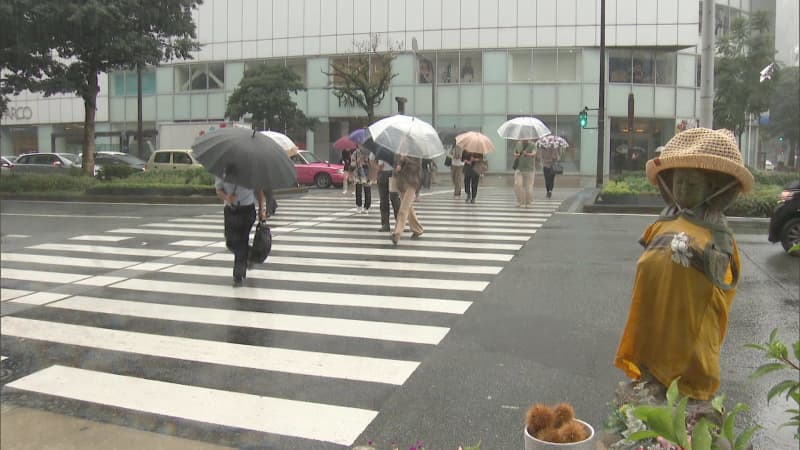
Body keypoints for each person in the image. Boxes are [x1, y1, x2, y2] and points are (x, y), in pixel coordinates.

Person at [614, 128, 755, 401]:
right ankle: (651, 375)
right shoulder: (665, 219)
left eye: (692, 184)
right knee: (652, 351)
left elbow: (724, 275)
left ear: (712, 187)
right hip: (654, 309)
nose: (682, 189)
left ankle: (688, 389)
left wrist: (697, 256)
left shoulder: (716, 230)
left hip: (691, 315)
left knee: (690, 352)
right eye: (678, 182)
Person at [215, 165, 266, 287]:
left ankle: (238, 275)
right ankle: (250, 255)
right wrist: (227, 197)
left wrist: (261, 210)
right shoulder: (221, 170)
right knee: (231, 242)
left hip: (247, 210)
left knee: (242, 242)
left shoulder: (251, 171)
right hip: (230, 210)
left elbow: (259, 191)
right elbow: (218, 190)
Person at [391, 155, 423, 245]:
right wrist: (397, 167)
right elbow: (395, 167)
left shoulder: (415, 153)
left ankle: (397, 233)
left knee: (404, 208)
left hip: (412, 182)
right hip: (401, 183)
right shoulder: (398, 153)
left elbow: (416, 168)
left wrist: (405, 160)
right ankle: (418, 229)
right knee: (408, 208)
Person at [376, 153, 400, 232]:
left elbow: (380, 165)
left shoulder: (381, 149)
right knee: (394, 198)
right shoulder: (395, 149)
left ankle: (386, 224)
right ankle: (399, 223)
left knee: (384, 200)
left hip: (383, 174)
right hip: (392, 174)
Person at [513, 139, 537, 207]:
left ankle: (528, 202)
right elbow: (515, 152)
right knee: (517, 184)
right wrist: (516, 154)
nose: (524, 139)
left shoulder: (532, 145)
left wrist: (527, 154)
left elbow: (534, 153)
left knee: (528, 187)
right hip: (519, 168)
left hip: (529, 169)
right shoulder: (518, 144)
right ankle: (520, 201)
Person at [352, 145, 373, 214]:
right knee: (358, 192)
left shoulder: (369, 153)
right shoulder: (355, 153)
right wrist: (358, 161)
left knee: (368, 192)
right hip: (358, 175)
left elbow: (373, 164)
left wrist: (367, 162)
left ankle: (366, 207)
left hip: (367, 174)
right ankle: (359, 206)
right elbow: (352, 164)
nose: (362, 146)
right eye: (360, 144)